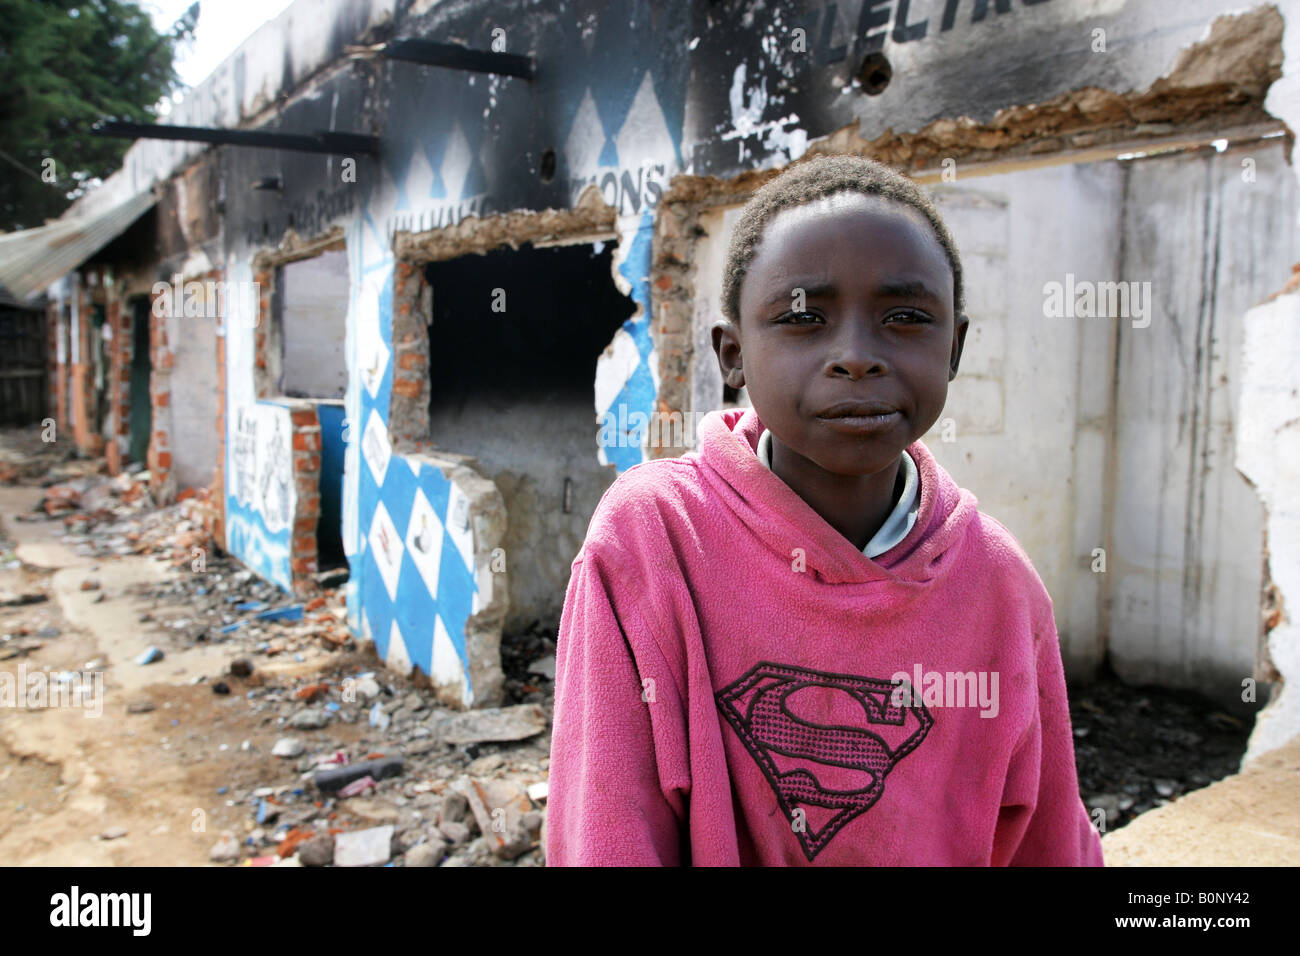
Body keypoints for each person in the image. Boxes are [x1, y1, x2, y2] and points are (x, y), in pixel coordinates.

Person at [546, 154, 1104, 866]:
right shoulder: (654, 539)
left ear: (955, 347)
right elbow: (607, 835)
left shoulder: (1000, 585)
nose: (856, 357)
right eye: (802, 318)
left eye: (905, 317)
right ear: (733, 356)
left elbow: (1047, 841)